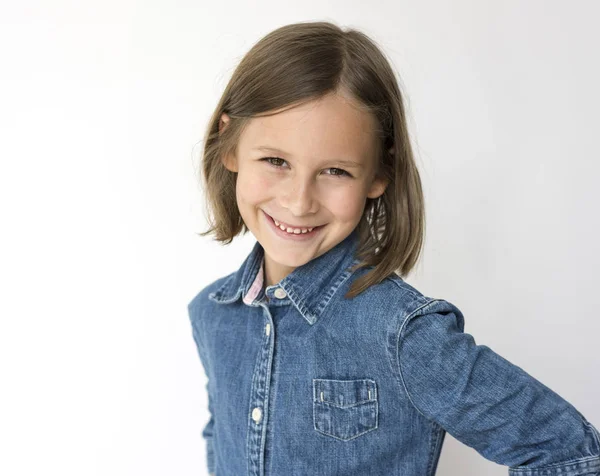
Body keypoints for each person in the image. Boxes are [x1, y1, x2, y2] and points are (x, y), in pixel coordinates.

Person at [187, 21, 600, 476]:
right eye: (276, 161)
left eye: (335, 171)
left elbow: (570, 452)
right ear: (229, 146)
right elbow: (222, 444)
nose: (298, 201)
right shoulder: (212, 314)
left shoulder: (402, 333)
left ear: (378, 175)